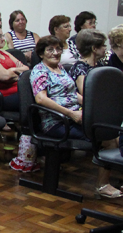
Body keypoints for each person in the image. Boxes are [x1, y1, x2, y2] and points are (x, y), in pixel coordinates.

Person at [30, 36, 119, 197]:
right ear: (41, 54)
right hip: (57, 122)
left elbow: (72, 94)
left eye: (58, 49)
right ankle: (102, 185)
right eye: (50, 49)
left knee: (114, 134)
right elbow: (41, 99)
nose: (55, 52)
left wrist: (92, 107)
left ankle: (107, 179)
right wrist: (71, 113)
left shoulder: (60, 68)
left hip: (74, 116)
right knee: (107, 139)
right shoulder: (39, 71)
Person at [68, 29, 107, 95]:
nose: (105, 48)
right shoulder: (80, 68)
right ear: (94, 48)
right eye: (103, 45)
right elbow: (86, 94)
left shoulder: (100, 65)